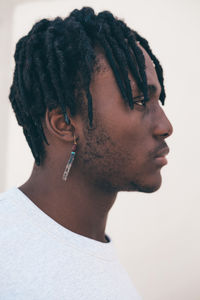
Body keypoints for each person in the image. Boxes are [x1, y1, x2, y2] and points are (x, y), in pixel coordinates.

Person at [0, 6, 173, 300]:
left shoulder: (94, 251)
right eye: (140, 101)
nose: (165, 126)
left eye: (158, 101)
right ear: (64, 124)